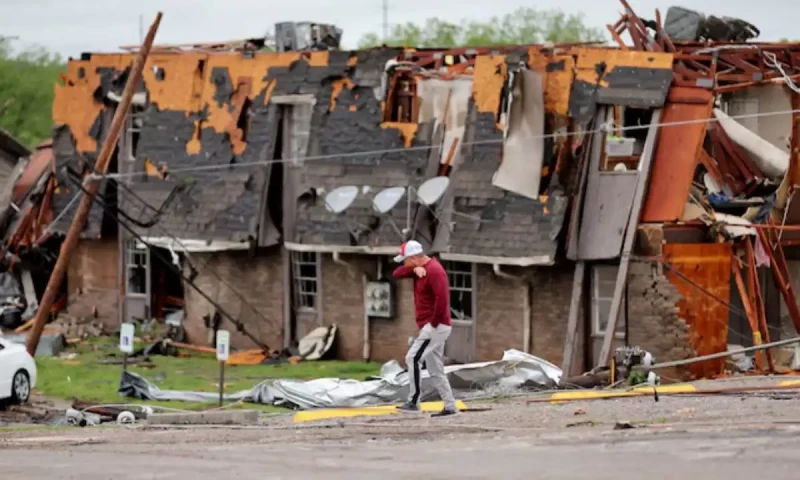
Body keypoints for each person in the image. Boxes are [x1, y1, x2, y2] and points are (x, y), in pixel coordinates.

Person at [392, 240, 457, 417]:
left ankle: (413, 401)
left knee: (412, 358)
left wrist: (433, 324)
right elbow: (396, 273)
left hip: (435, 326)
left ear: (413, 258)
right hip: (433, 326)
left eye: (405, 260)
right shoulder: (419, 270)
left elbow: (442, 300)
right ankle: (450, 406)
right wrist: (413, 269)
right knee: (436, 368)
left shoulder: (435, 271)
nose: (403, 264)